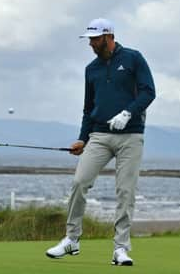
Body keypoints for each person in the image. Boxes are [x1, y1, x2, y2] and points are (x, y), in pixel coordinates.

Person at [45, 18, 156, 266]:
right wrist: (82, 139)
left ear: (108, 36)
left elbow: (149, 91)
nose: (91, 44)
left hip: (131, 135)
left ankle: (121, 249)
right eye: (90, 40)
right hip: (99, 136)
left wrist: (128, 113)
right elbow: (88, 108)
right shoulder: (91, 69)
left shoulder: (133, 58)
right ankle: (71, 239)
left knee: (125, 192)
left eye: (95, 39)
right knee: (79, 182)